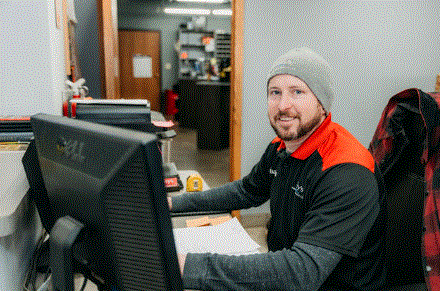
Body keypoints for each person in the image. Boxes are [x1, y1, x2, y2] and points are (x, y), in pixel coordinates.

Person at [169, 47, 387, 290]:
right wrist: (173, 204)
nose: (283, 105)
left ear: (322, 103)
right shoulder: (282, 147)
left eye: (297, 92)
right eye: (275, 92)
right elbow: (246, 191)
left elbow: (301, 272)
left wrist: (187, 266)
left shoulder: (348, 172)